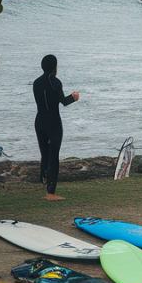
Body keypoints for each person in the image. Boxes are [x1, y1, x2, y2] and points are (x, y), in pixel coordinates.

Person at [33, 55, 80, 200]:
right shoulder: (55, 82)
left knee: (45, 155)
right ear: (55, 67)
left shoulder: (36, 83)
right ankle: (50, 193)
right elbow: (63, 101)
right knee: (53, 156)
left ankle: (44, 183)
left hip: (39, 121)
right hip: (53, 123)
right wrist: (74, 97)